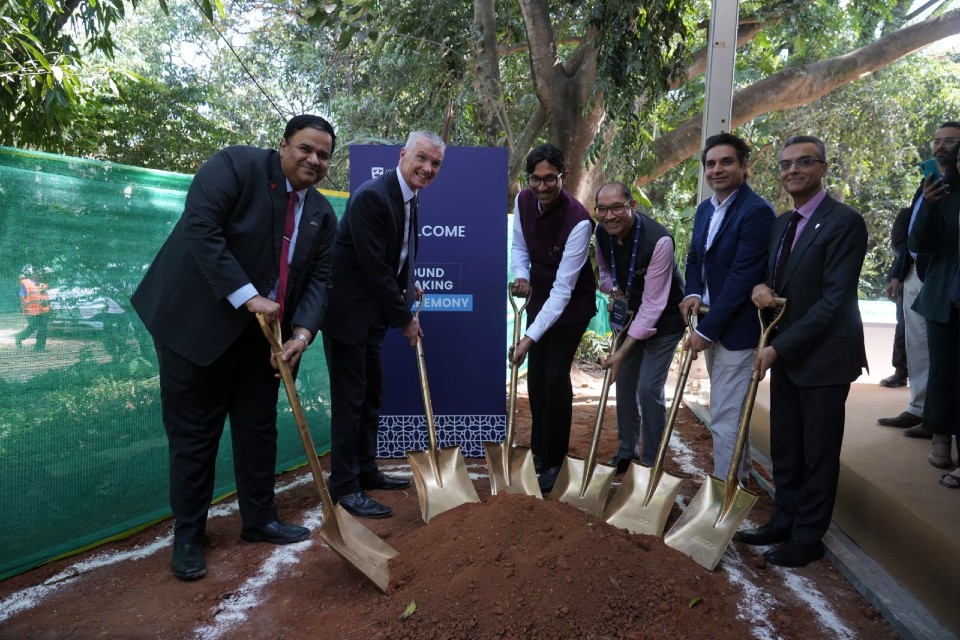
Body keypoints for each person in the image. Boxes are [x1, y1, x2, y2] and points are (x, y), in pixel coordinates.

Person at [131, 114, 339, 581]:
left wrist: (301, 335)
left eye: (323, 155)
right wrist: (248, 296)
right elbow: (201, 228)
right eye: (305, 148)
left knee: (258, 428)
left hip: (263, 340)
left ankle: (259, 519)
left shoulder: (322, 214)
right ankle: (189, 535)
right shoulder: (235, 166)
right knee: (195, 434)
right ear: (283, 145)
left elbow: (321, 280)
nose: (314, 159)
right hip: (194, 326)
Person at [735, 135, 867, 568]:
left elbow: (835, 301)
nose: (793, 170)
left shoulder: (845, 222)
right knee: (787, 448)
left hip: (825, 359)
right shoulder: (782, 224)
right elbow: (773, 280)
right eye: (785, 164)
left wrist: (777, 349)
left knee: (818, 453)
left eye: (804, 162)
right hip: (788, 356)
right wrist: (760, 286)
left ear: (823, 168)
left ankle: (808, 538)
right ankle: (783, 521)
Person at [322, 131, 445, 518]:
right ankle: (344, 486)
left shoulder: (409, 195)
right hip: (348, 315)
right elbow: (374, 268)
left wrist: (409, 284)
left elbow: (397, 255)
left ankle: (365, 469)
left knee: (370, 394)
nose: (427, 168)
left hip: (371, 316)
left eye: (435, 163)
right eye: (421, 158)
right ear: (403, 153)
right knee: (350, 401)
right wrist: (405, 318)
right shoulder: (373, 196)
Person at [679, 133, 775, 484]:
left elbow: (741, 279)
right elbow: (695, 258)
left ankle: (724, 488)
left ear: (744, 166)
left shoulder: (757, 212)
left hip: (738, 330)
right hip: (712, 321)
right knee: (729, 413)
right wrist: (693, 291)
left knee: (725, 413)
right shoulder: (706, 209)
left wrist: (705, 332)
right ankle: (738, 476)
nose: (717, 169)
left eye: (726, 162)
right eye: (710, 164)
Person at [509, 143, 596, 494]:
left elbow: (563, 290)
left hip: (571, 307)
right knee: (537, 379)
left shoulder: (579, 221)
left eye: (550, 179)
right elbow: (519, 247)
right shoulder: (523, 200)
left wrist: (528, 339)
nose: (542, 187)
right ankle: (539, 453)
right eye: (535, 179)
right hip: (538, 298)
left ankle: (555, 460)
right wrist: (522, 275)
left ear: (565, 176)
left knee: (555, 375)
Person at [877, 122, 960, 436]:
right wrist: (899, 273)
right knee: (916, 346)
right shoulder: (927, 183)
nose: (940, 147)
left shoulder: (954, 188)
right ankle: (919, 407)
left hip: (943, 280)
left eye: (949, 141)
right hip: (914, 274)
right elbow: (912, 234)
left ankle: (938, 420)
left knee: (941, 352)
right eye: (937, 141)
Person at [595, 182, 685, 472]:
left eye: (616, 207)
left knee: (648, 387)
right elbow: (604, 271)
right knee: (624, 384)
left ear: (632, 206)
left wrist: (621, 353)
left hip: (666, 319)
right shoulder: (601, 233)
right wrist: (615, 290)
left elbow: (654, 305)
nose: (609, 216)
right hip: (631, 314)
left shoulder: (659, 241)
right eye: (602, 209)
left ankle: (651, 462)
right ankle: (626, 451)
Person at [908, 141, 960, 486]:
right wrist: (928, 205)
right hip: (945, 299)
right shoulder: (944, 194)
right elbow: (918, 243)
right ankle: (940, 436)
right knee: (943, 372)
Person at [879, 206, 911, 388]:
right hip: (906, 275)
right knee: (904, 325)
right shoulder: (907, 213)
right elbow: (898, 246)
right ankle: (900, 371)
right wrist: (897, 276)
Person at [15, 267, 51, 351]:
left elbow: (46, 296)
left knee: (43, 329)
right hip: (31, 310)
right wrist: (24, 311)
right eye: (37, 273)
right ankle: (20, 337)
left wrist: (48, 306)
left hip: (43, 310)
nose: (39, 275)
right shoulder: (26, 284)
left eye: (40, 273)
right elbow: (22, 298)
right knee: (33, 326)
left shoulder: (43, 284)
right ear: (32, 274)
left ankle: (39, 347)